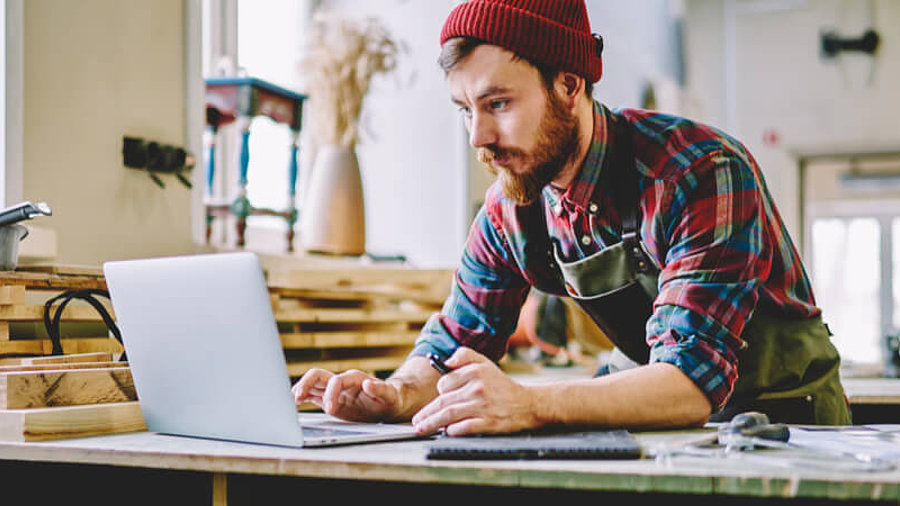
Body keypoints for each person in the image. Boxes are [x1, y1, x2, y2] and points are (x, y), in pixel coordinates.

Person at [293, 0, 851, 436]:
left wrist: (529, 403)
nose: (478, 138)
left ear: (569, 84)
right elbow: (449, 348)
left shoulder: (697, 173)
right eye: (465, 110)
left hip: (787, 428)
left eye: (498, 104)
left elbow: (688, 383)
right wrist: (394, 394)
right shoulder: (509, 212)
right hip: (659, 429)